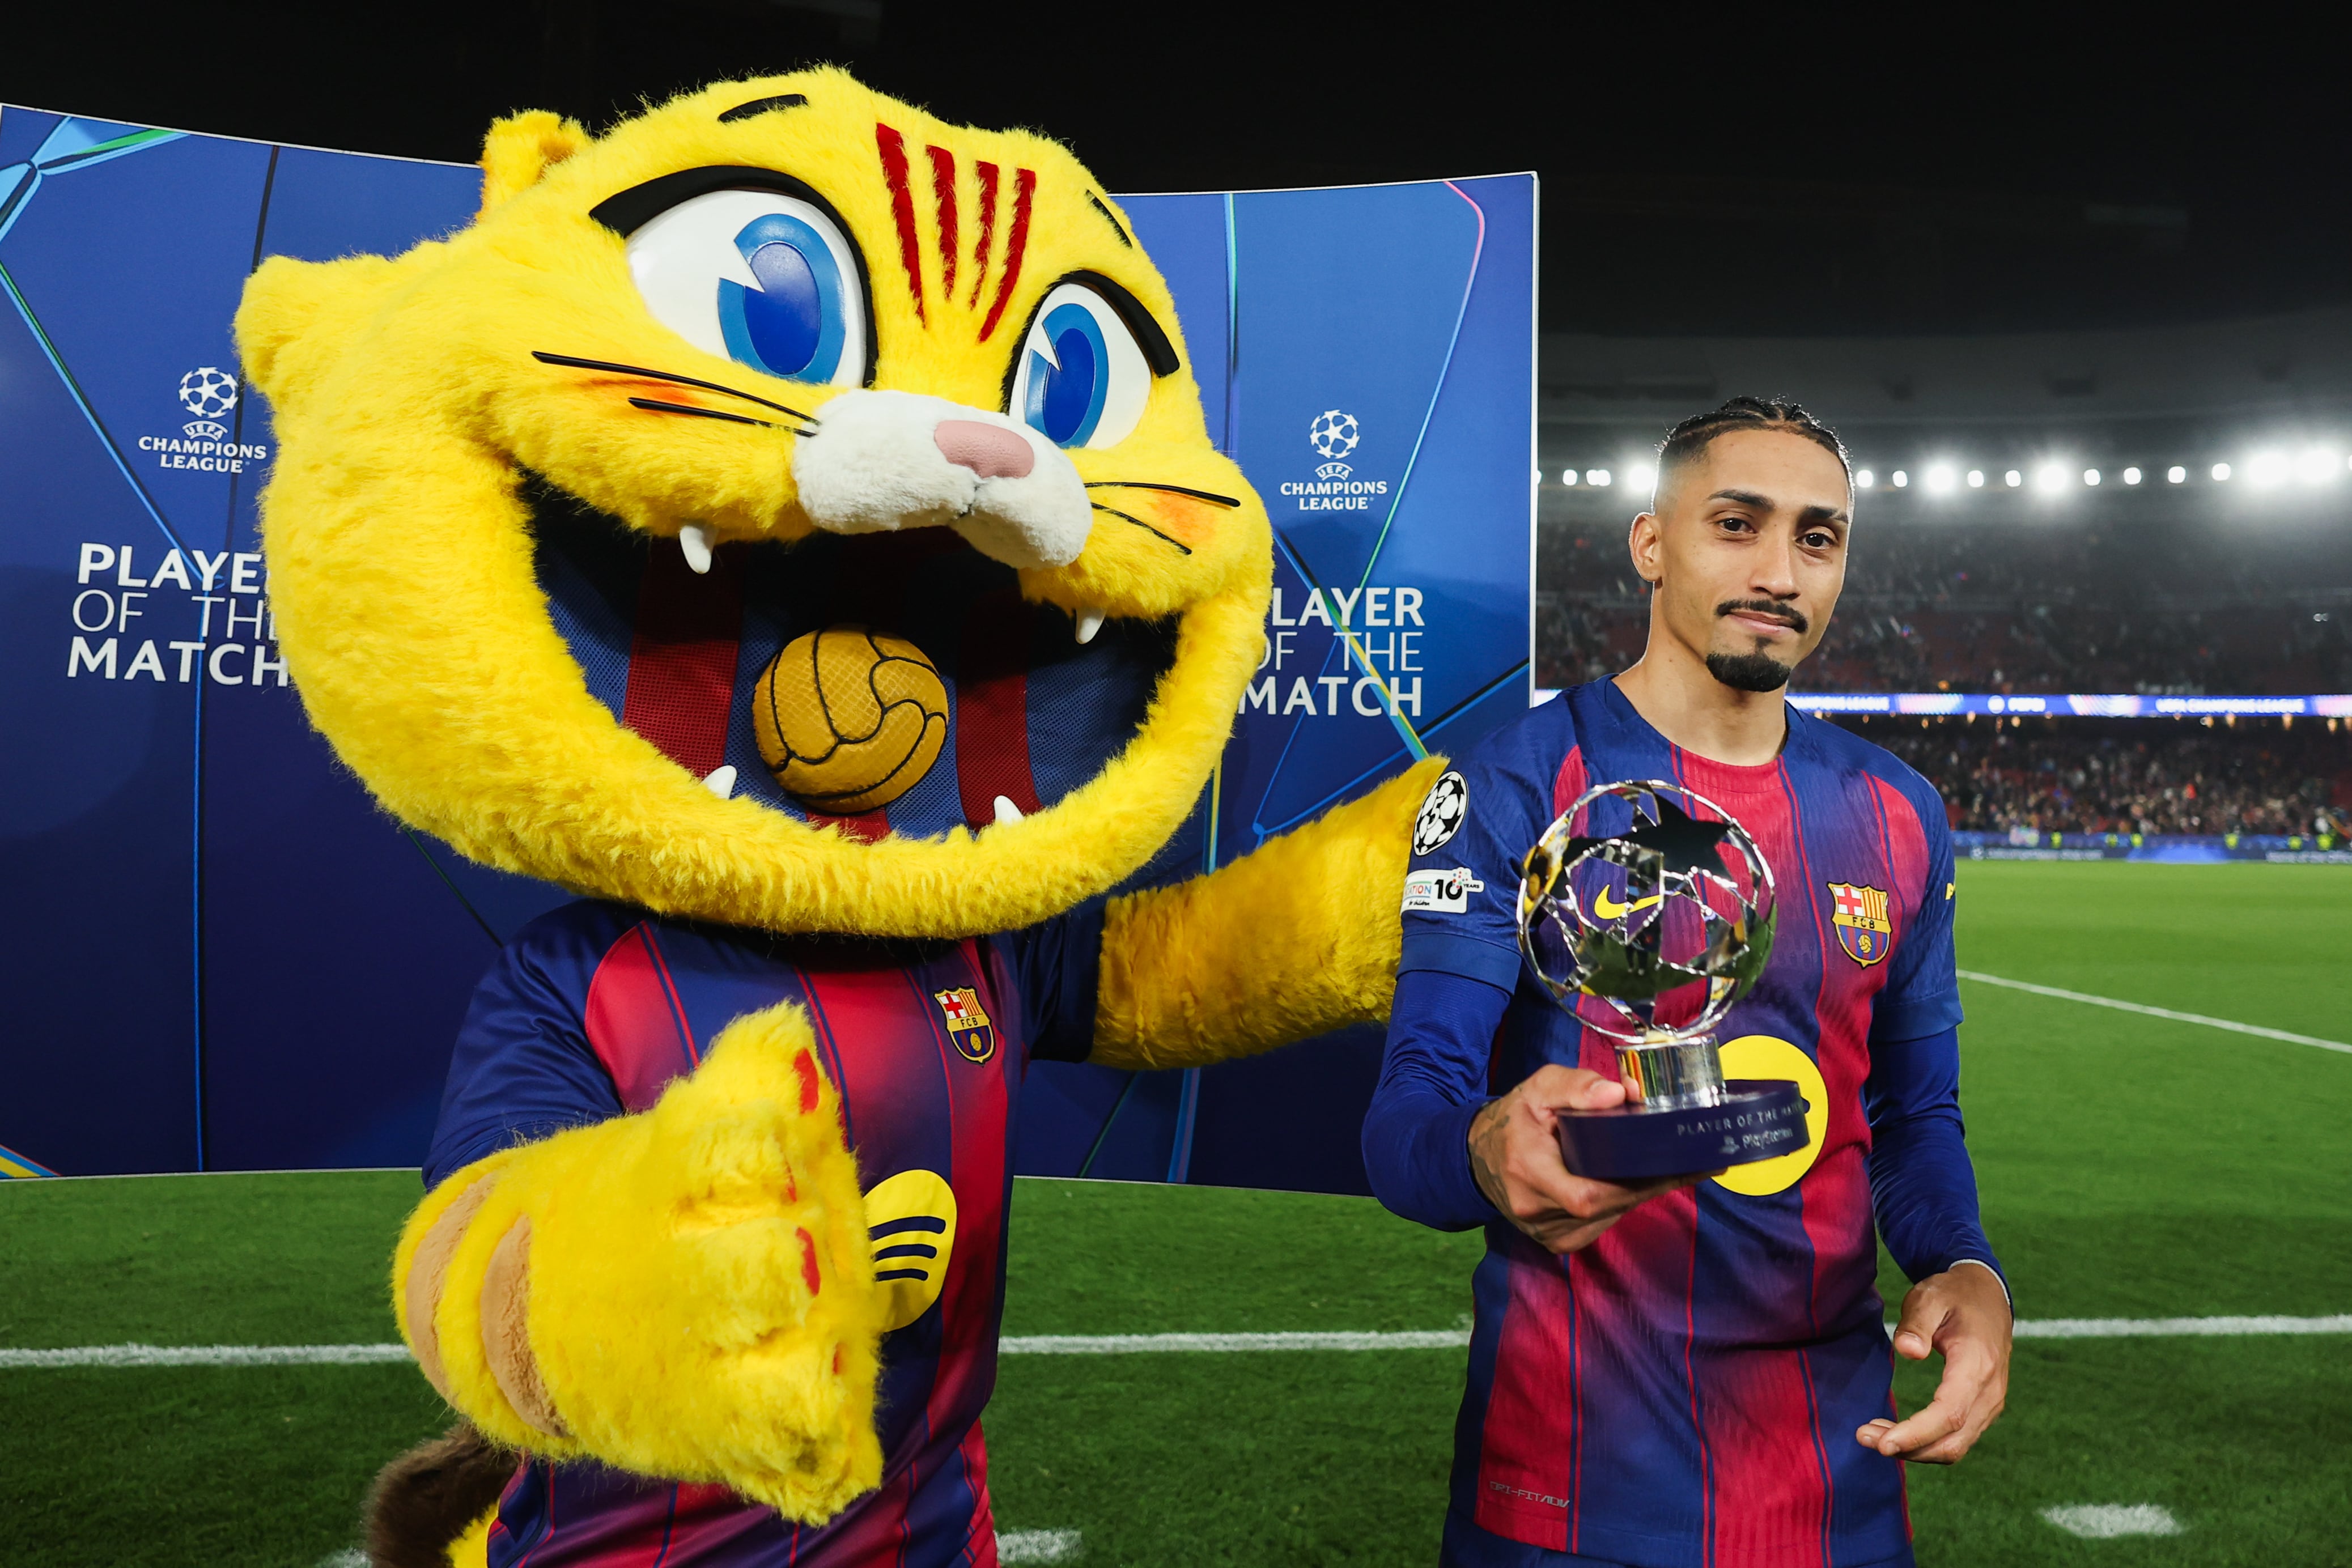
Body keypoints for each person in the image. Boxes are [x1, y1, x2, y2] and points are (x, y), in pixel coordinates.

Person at [1364, 398, 2011, 1568]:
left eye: (1816, 537)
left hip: (1834, 1480)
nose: (1777, 570)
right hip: (1565, 1480)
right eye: (1734, 523)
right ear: (1648, 543)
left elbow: (1914, 1117)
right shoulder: (1516, 780)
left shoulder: (1896, 813)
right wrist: (1484, 1148)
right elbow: (1408, 1112)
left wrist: (1964, 1268)